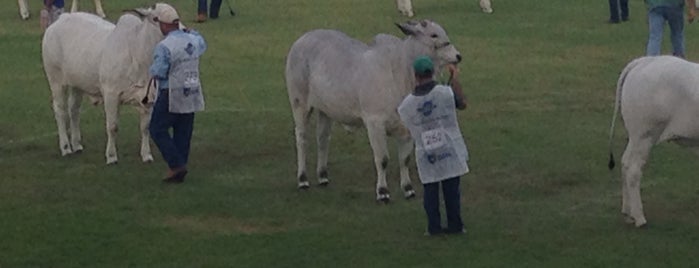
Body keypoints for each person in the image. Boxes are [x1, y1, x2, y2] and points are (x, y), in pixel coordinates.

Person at [397, 56, 469, 236]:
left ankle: (433, 228)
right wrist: (455, 79)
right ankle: (455, 225)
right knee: (452, 190)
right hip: (449, 148)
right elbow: (462, 103)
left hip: (426, 151)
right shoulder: (445, 92)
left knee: (430, 190)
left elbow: (408, 125)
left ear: (416, 75)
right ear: (432, 72)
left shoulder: (407, 104)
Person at [149, 4, 207, 183]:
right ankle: (180, 166)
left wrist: (151, 70)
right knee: (183, 130)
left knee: (157, 128)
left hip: (170, 92)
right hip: (191, 89)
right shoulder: (194, 40)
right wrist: (192, 32)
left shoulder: (164, 46)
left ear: (165, 25)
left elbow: (158, 71)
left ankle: (176, 164)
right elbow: (202, 43)